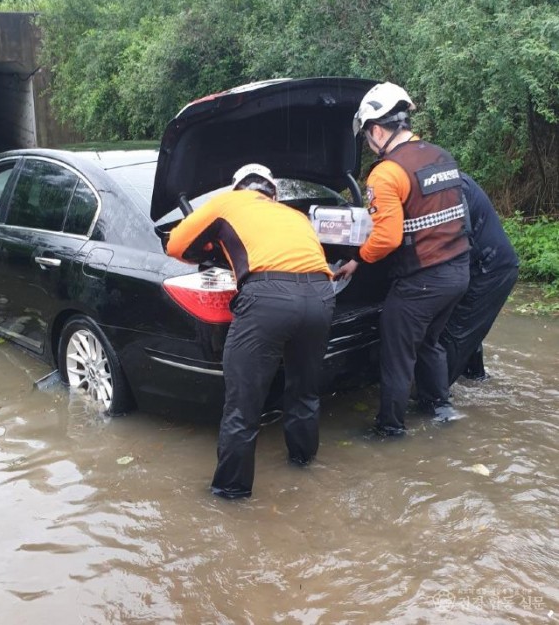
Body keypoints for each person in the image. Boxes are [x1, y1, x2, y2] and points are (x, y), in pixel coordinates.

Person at [166, 163, 335, 499]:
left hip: (268, 299)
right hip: (321, 296)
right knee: (304, 391)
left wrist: (215, 248)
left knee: (243, 406)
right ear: (272, 193)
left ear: (237, 188)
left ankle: (230, 494)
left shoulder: (227, 204)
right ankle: (304, 465)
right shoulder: (295, 216)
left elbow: (175, 245)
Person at [336, 82, 470, 437]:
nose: (369, 144)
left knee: (396, 357)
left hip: (421, 280)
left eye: (367, 136)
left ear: (377, 130)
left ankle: (390, 429)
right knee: (430, 343)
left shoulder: (386, 172)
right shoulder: (441, 155)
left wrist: (358, 259)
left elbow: (387, 237)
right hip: (458, 271)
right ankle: (439, 408)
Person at [441, 173, 519, 384]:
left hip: (488, 268)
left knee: (455, 333)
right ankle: (475, 380)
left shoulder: (449, 187)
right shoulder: (447, 179)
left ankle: (433, 401)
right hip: (489, 264)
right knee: (466, 330)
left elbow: (458, 235)